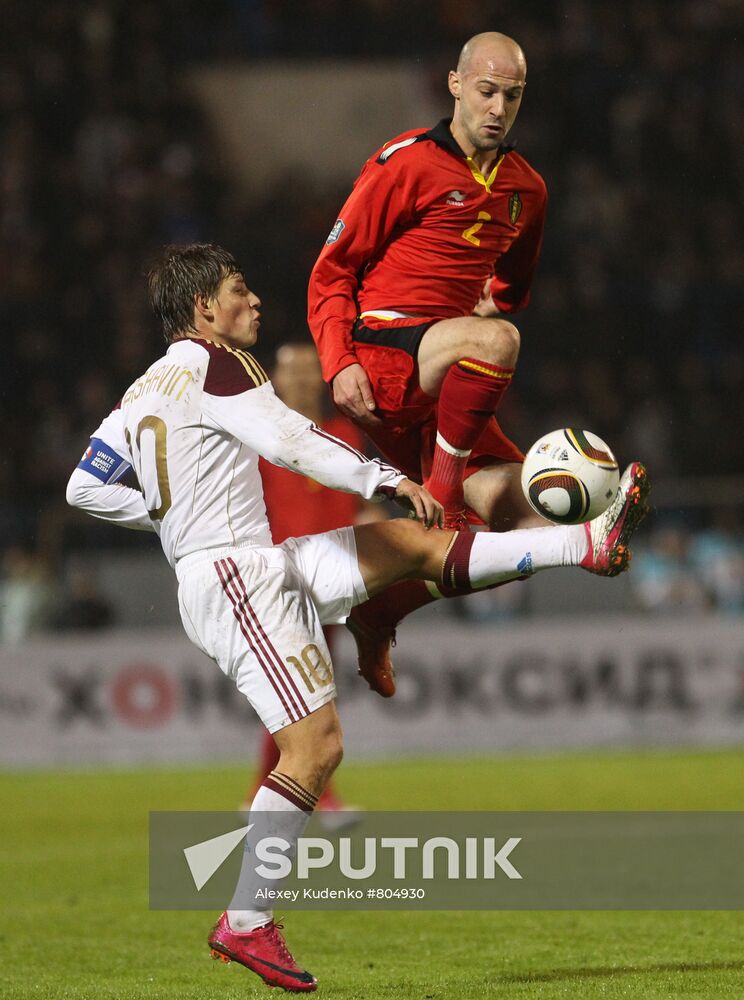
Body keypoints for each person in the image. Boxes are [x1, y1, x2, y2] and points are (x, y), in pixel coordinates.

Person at [67, 243, 648, 993]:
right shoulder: (222, 363)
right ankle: (245, 923)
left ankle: (590, 543)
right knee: (315, 750)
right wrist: (382, 475)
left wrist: (166, 514)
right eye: (240, 290)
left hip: (257, 561)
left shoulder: (142, 391)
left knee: (411, 544)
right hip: (237, 574)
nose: (255, 302)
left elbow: (86, 488)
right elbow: (292, 440)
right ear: (204, 308)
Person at [308, 31, 550, 692]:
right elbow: (331, 272)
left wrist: (489, 302)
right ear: (455, 84)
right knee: (497, 344)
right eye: (486, 90)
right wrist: (337, 364)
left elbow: (511, 291)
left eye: (512, 95)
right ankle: (441, 497)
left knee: (531, 519)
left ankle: (380, 614)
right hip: (385, 353)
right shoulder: (405, 161)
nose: (498, 107)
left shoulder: (526, 190)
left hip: (445, 383)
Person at [246, 341, 373, 819]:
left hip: (335, 580)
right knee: (306, 695)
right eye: (290, 371)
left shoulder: (343, 434)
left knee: (300, 694)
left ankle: (261, 792)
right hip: (279, 583)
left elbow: (350, 501)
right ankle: (322, 797)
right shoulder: (261, 440)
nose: (299, 379)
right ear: (275, 380)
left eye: (306, 371)